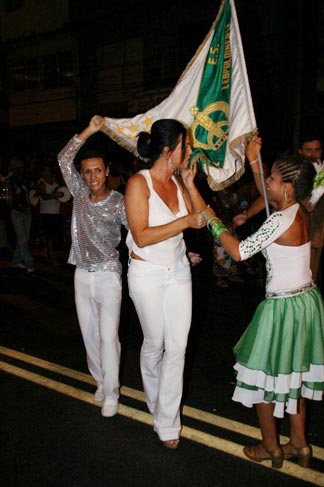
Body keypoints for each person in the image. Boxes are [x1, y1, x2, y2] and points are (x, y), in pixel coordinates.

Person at [202, 138, 324, 469]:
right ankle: (299, 443)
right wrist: (255, 161)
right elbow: (271, 197)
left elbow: (239, 252)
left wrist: (210, 218)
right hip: (306, 302)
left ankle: (270, 447)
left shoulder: (277, 221)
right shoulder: (299, 207)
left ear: (287, 187)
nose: (265, 183)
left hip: (282, 309)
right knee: (293, 376)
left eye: (271, 178)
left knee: (262, 379)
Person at [125, 119, 206, 449]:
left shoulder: (178, 179)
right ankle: (154, 398)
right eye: (184, 147)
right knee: (155, 341)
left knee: (178, 346)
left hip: (178, 272)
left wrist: (190, 183)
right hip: (146, 274)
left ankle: (167, 419)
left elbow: (202, 219)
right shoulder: (138, 183)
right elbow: (141, 237)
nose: (189, 151)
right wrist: (184, 221)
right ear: (168, 150)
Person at [58, 115, 128, 418]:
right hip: (81, 273)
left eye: (97, 170)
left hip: (108, 274)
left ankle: (112, 392)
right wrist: (89, 130)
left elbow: (138, 234)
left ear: (107, 171)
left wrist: (177, 252)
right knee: (89, 335)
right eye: (87, 171)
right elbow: (64, 158)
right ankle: (100, 381)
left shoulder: (120, 201)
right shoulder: (78, 194)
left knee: (108, 336)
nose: (92, 176)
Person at [7, 156, 35, 272]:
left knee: (24, 239)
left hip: (26, 210)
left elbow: (33, 190)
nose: (23, 169)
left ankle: (16, 261)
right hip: (17, 212)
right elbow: (10, 198)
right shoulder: (11, 180)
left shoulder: (26, 178)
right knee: (22, 239)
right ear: (15, 168)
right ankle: (30, 264)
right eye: (20, 167)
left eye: (23, 167)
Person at [36, 164, 65, 265]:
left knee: (52, 235)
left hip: (55, 212)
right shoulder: (42, 183)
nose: (50, 172)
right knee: (50, 237)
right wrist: (55, 195)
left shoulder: (55, 183)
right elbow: (43, 196)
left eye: (50, 170)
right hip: (46, 213)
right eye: (47, 171)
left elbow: (62, 195)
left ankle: (45, 251)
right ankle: (52, 257)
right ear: (43, 173)